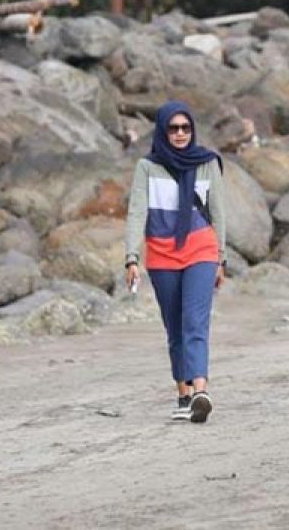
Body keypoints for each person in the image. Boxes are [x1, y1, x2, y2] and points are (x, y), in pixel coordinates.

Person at [124, 101, 226, 424]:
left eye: (185, 128)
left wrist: (221, 259)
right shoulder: (147, 167)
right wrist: (131, 257)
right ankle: (183, 394)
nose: (180, 134)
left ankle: (200, 391)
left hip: (201, 250)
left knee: (195, 321)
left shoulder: (207, 163)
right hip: (162, 254)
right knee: (175, 327)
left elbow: (219, 212)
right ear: (163, 131)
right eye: (173, 128)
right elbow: (137, 212)